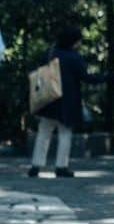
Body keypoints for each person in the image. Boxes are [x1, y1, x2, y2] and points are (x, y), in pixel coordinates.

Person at [28, 22, 104, 179]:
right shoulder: (74, 58)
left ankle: (36, 165)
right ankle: (61, 166)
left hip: (48, 98)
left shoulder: (50, 53)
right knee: (65, 134)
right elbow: (86, 77)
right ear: (74, 41)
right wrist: (107, 77)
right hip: (67, 102)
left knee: (43, 132)